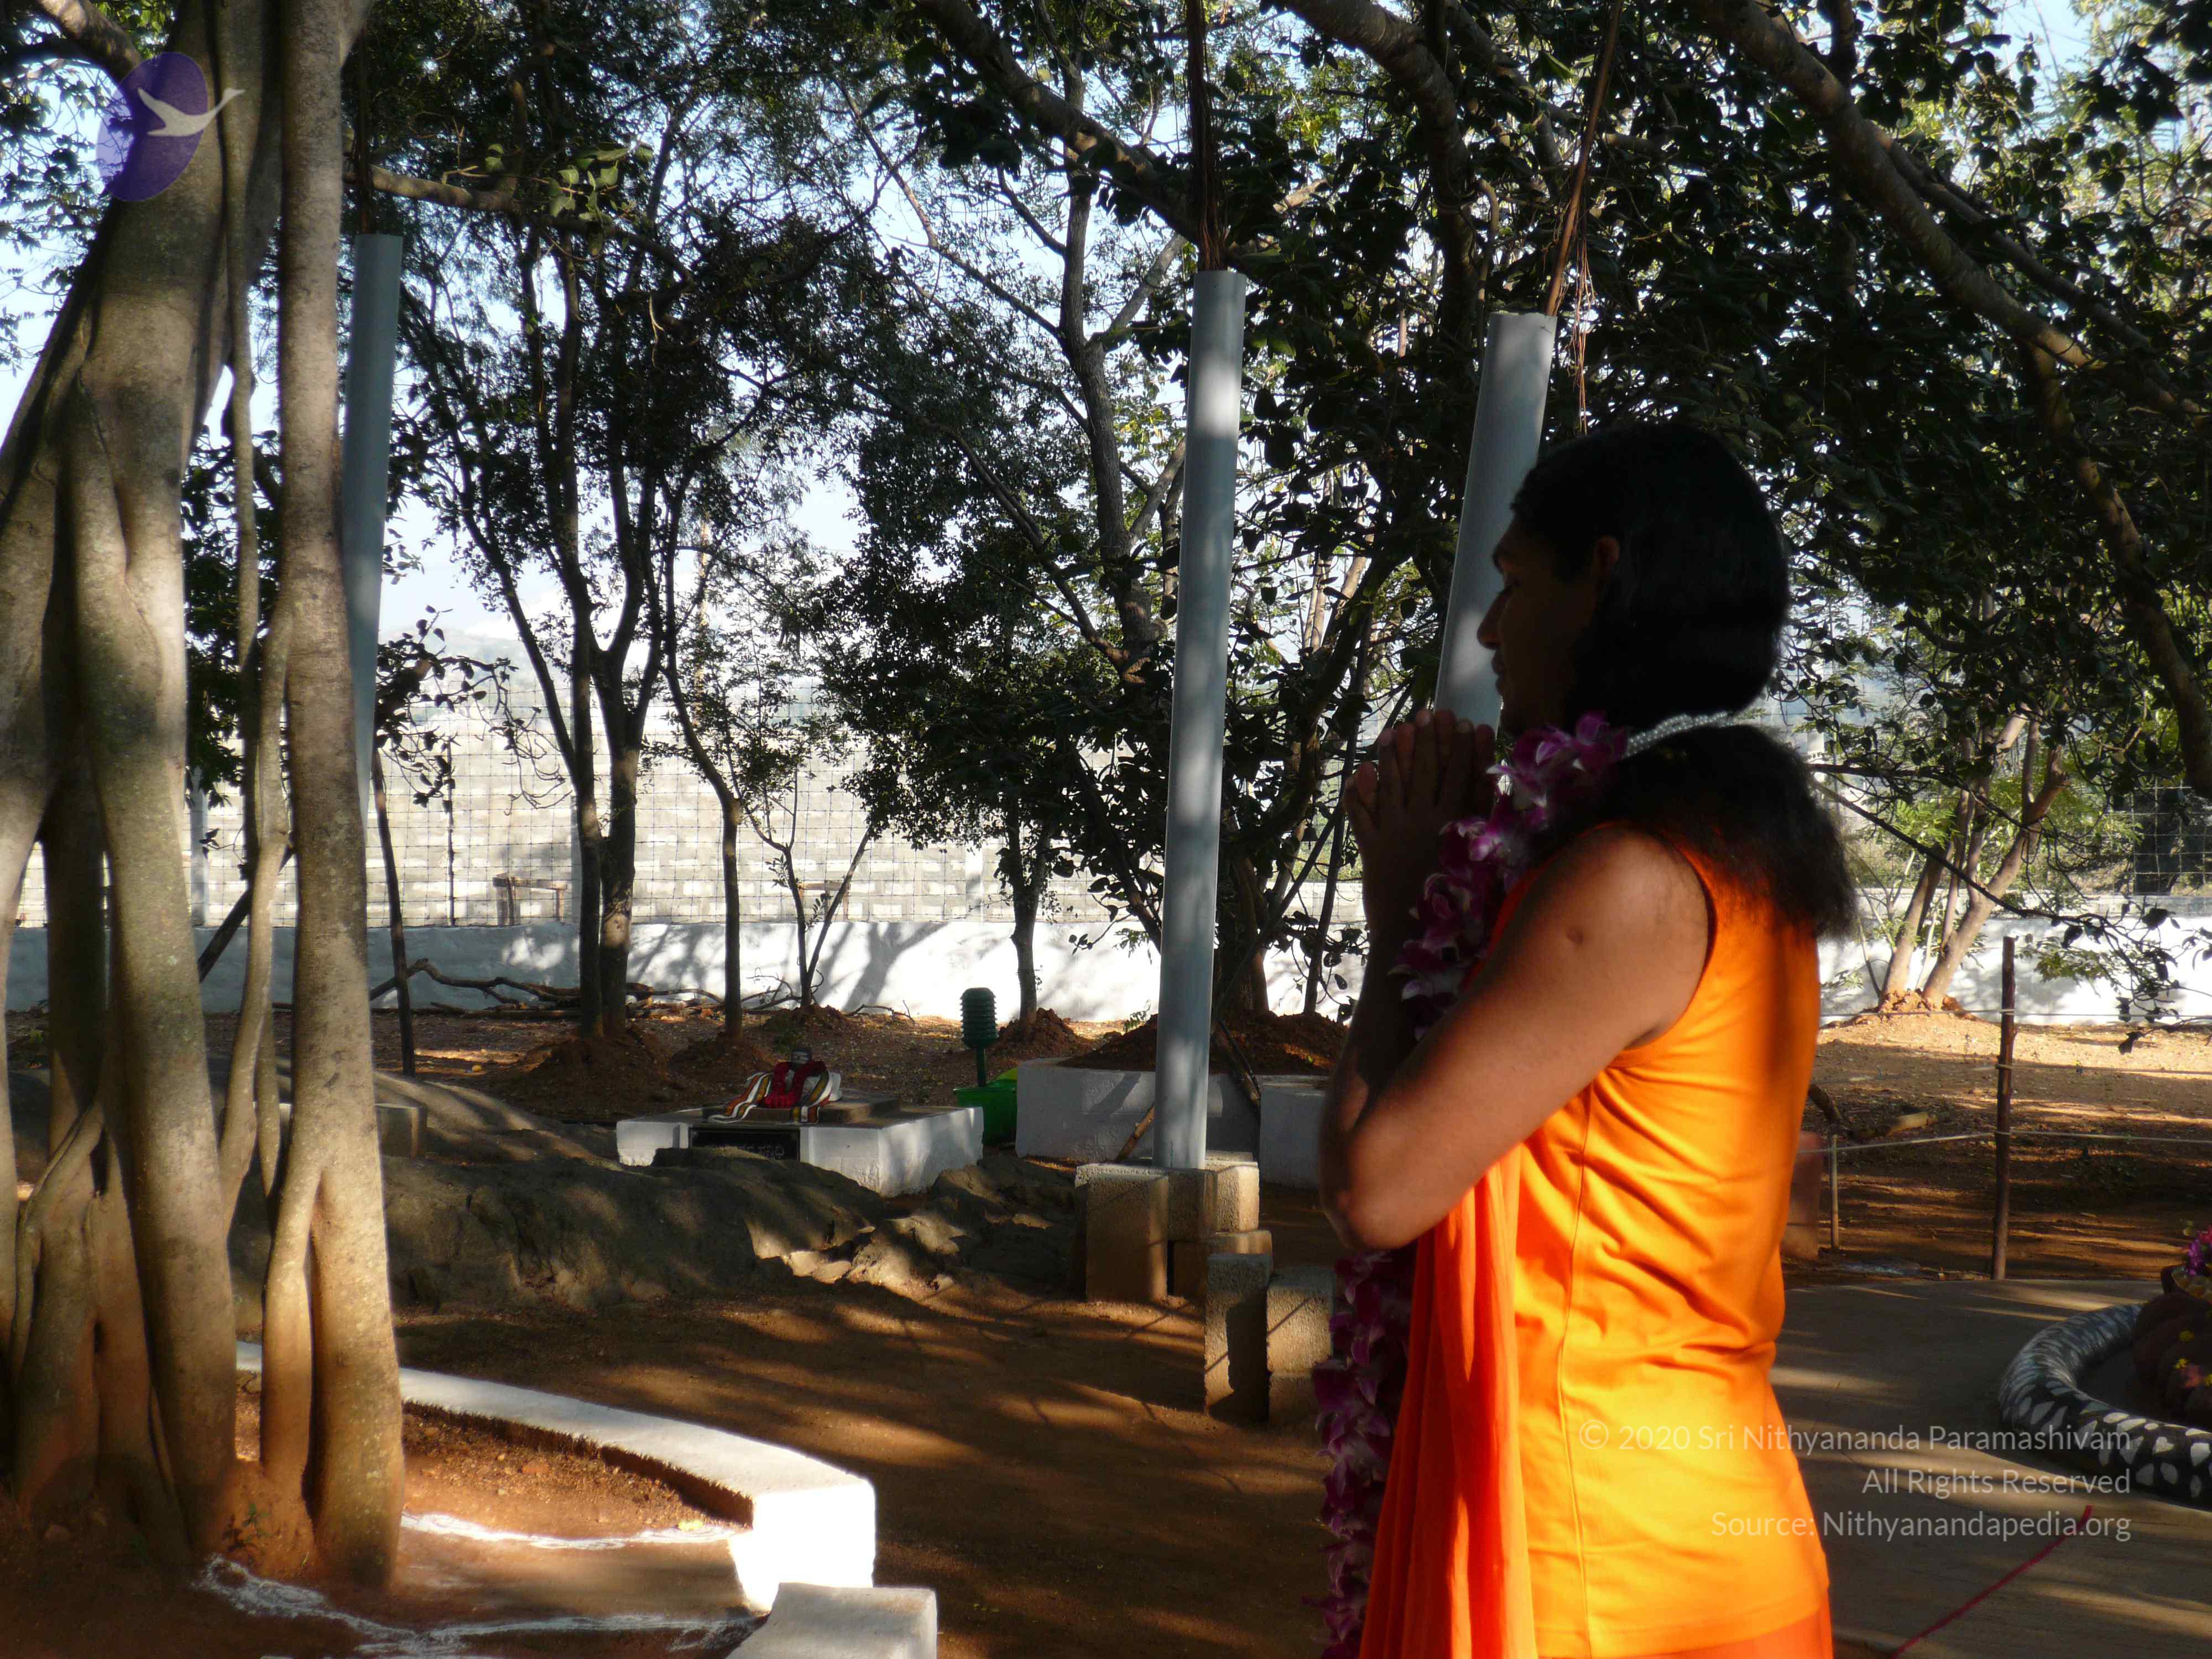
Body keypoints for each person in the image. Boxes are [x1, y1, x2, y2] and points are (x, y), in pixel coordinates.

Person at [1321, 421, 1859, 1659]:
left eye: (1515, 584)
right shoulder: (1736, 855)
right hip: (1691, 1528)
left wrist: (1399, 907)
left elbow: (1375, 1191)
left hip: (1600, 1562)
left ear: (1600, 578)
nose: (1488, 631)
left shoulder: (1628, 877)